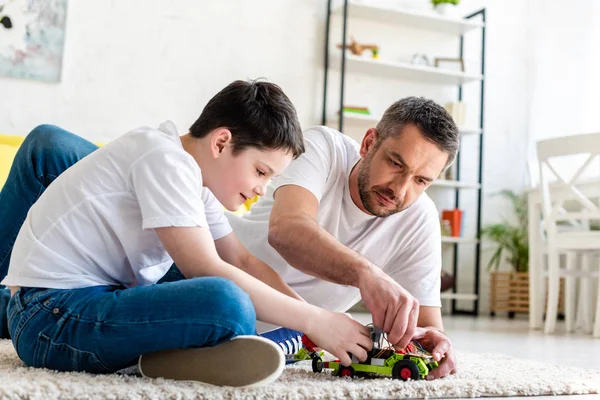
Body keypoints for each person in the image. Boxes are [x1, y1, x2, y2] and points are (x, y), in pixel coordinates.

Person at [0, 80, 372, 387]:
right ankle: (185, 355)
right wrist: (315, 321)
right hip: (48, 316)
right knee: (227, 301)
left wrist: (312, 320)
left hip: (78, 303)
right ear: (222, 142)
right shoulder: (164, 159)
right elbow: (204, 266)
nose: (263, 189)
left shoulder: (196, 180)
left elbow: (241, 258)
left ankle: (185, 354)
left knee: (231, 297)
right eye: (261, 171)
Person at [228, 96, 459, 380]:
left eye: (421, 180)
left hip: (295, 335)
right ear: (368, 143)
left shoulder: (420, 218)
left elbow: (426, 324)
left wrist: (433, 345)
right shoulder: (323, 146)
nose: (400, 189)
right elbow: (286, 230)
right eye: (396, 163)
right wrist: (366, 275)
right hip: (225, 276)